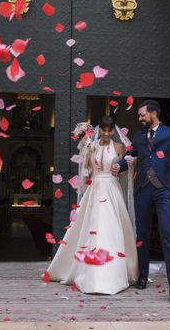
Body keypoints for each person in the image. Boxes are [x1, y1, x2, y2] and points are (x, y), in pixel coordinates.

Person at [113, 100, 170, 304]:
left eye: (142, 114)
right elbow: (132, 154)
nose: (139, 118)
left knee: (168, 235)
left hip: (165, 190)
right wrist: (119, 165)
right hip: (143, 189)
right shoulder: (139, 136)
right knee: (142, 234)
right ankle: (142, 276)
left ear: (153, 113)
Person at [45, 116, 139, 295]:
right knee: (93, 227)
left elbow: (121, 172)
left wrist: (123, 168)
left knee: (112, 228)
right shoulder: (93, 145)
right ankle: (91, 274)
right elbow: (87, 170)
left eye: (109, 130)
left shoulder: (119, 147)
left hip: (112, 188)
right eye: (103, 130)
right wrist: (86, 148)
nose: (106, 133)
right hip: (95, 189)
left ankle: (115, 273)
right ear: (99, 130)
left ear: (113, 131)